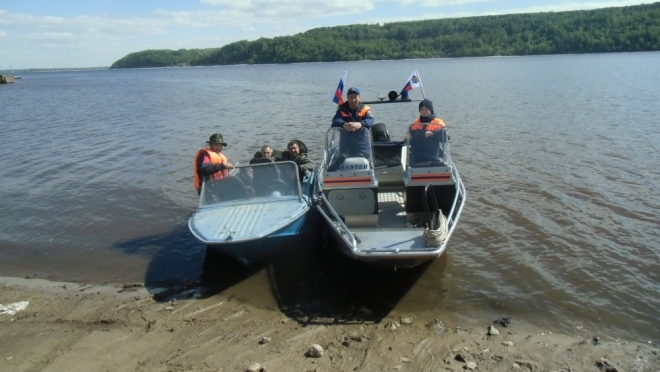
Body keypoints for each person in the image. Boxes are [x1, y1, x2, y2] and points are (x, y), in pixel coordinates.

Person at [331, 87, 374, 158]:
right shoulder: (341, 110)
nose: (353, 99)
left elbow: (370, 120)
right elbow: (335, 120)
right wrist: (344, 124)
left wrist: (360, 124)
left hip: (362, 146)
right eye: (350, 97)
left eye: (355, 97)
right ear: (347, 98)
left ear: (359, 98)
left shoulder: (365, 109)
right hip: (345, 146)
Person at [406, 99, 447, 166]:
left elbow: (445, 138)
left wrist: (433, 134)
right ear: (419, 111)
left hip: (432, 156)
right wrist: (407, 138)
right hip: (416, 156)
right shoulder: (415, 123)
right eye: (422, 109)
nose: (424, 111)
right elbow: (409, 139)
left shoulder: (438, 122)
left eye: (426, 108)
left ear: (430, 109)